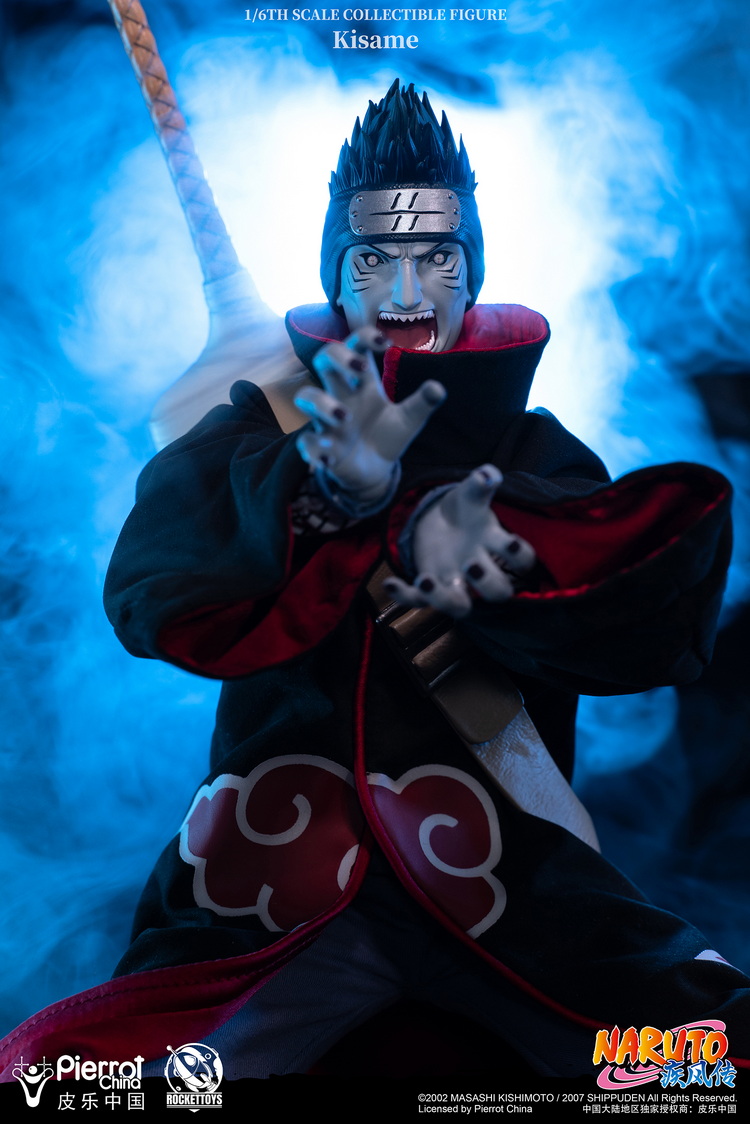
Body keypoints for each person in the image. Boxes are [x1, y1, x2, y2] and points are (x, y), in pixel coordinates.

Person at [1, 81, 747, 1083]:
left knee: (712, 1067)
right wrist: (321, 497)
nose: (406, 287)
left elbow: (650, 603)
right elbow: (157, 591)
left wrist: (492, 553)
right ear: (338, 274)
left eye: (437, 257)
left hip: (521, 888)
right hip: (267, 887)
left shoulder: (535, 456)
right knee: (69, 1086)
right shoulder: (248, 440)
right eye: (374, 258)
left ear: (471, 273)